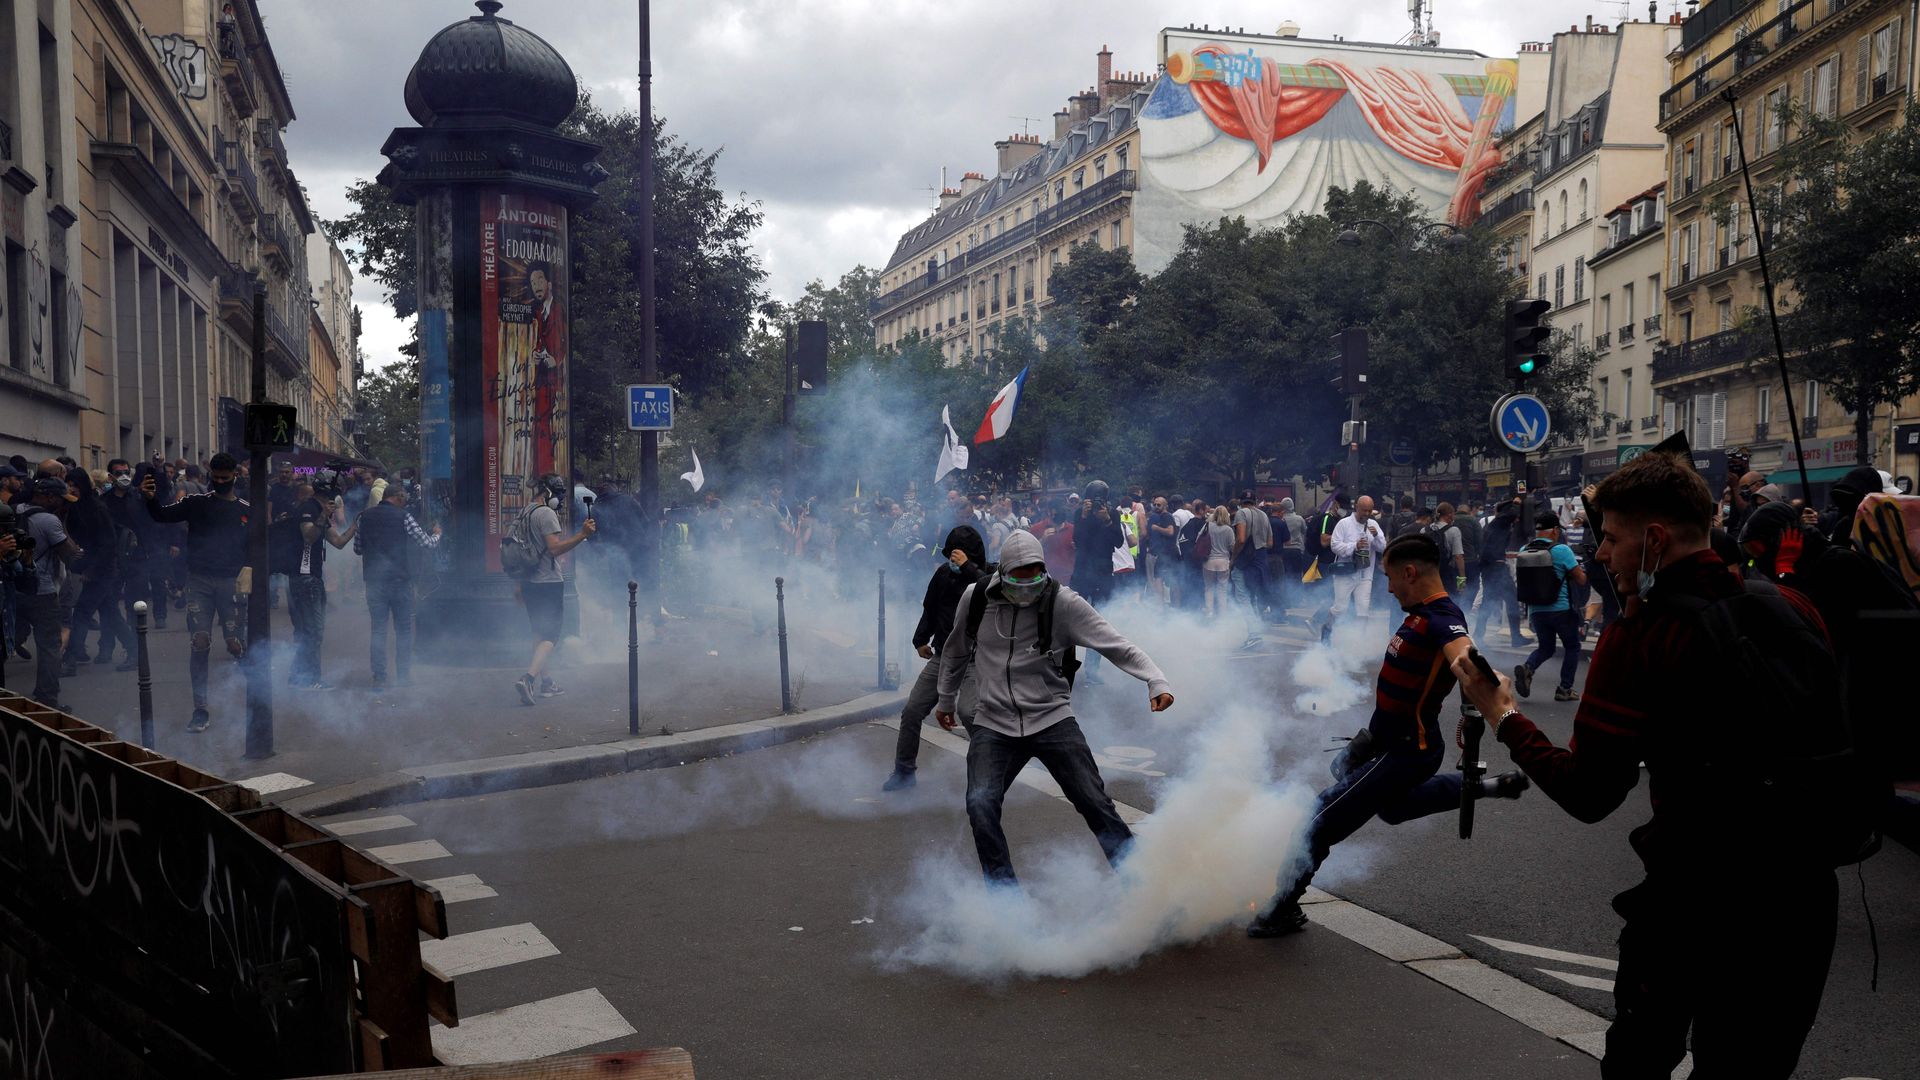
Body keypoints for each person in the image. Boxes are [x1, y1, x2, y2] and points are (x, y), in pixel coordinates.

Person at [1451, 451, 1843, 1079]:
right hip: (1802, 901)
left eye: (1610, 538)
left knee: (1639, 1063)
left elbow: (1589, 793)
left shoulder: (1642, 637)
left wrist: (1503, 714)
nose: (1600, 555)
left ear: (1654, 540)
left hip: (1695, 902)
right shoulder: (1796, 609)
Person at [1249, 532, 1527, 937]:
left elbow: (1465, 657)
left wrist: (1491, 691)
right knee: (1392, 808)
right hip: (1388, 743)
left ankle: (1280, 911)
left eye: (1390, 577)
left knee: (1315, 823)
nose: (1389, 587)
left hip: (1406, 752)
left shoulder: (1442, 619)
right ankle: (1487, 786)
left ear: (1410, 572)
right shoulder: (1418, 612)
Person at [935, 530, 1174, 885]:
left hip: (1051, 719)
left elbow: (1116, 644)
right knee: (981, 805)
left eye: (1035, 574)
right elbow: (956, 648)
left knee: (1095, 803)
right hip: (994, 723)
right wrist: (945, 697)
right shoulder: (977, 598)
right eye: (1019, 576)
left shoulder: (1063, 602)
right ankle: (1005, 900)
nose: (1027, 584)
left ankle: (1141, 888)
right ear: (1003, 572)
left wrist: (1156, 680)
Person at [141, 454, 247, 732]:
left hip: (231, 582)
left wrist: (252, 577)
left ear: (235, 475)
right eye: (217, 477)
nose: (221, 481)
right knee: (200, 641)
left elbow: (259, 545)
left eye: (226, 477)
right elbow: (161, 515)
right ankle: (200, 709)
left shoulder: (246, 509)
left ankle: (252, 696)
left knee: (237, 644)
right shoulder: (196, 503)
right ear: (210, 474)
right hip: (199, 581)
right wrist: (151, 498)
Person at [884, 525, 986, 791]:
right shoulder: (942, 574)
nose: (953, 561)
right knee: (912, 711)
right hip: (944, 655)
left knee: (970, 714)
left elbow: (990, 597)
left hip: (976, 659)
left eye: (960, 556)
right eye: (951, 556)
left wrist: (968, 569)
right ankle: (904, 772)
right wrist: (920, 639)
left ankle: (987, 777)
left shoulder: (986, 576)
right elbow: (930, 608)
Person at [514, 474, 594, 705]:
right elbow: (554, 549)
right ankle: (528, 678)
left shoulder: (524, 512)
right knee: (551, 635)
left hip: (529, 583)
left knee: (538, 633)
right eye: (558, 494)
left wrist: (519, 584)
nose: (559, 499)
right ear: (548, 493)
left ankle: (546, 682)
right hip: (547, 582)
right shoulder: (546, 514)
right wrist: (582, 535)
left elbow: (520, 552)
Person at [354, 483, 438, 689]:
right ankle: (403, 676)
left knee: (378, 631)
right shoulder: (404, 517)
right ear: (398, 497)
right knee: (404, 630)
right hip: (400, 581)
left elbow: (357, 548)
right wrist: (438, 534)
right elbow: (427, 543)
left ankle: (380, 678)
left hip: (374, 583)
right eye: (405, 497)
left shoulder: (364, 516)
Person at [282, 481, 357, 689]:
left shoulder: (317, 511)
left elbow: (339, 542)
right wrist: (324, 515)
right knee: (312, 633)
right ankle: (310, 679)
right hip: (305, 578)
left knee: (307, 632)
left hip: (310, 578)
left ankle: (298, 676)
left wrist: (355, 525)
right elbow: (308, 536)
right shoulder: (308, 510)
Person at [15, 479, 82, 707]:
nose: (65, 505)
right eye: (63, 500)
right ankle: (47, 698)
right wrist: (62, 525)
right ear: (50, 498)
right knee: (49, 646)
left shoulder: (16, 511)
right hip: (42, 591)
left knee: (10, 639)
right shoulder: (49, 520)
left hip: (13, 589)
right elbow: (69, 555)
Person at [1513, 511, 1587, 702]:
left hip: (1536, 611)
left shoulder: (1524, 549)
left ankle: (1529, 667)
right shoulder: (1561, 550)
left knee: (1546, 648)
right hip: (1561, 610)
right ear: (1555, 530)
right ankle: (1564, 689)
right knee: (1572, 647)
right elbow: (1580, 579)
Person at [1324, 494, 1387, 639]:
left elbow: (1383, 547)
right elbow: (1335, 546)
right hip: (1345, 573)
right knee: (1340, 608)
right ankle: (1327, 629)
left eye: (1369, 511)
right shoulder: (1344, 524)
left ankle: (1359, 640)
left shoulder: (1373, 524)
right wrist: (1354, 546)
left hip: (1365, 574)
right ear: (1356, 507)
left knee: (1363, 610)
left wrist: (1377, 535)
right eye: (1364, 510)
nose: (1366, 514)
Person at [1473, 499, 1525, 646]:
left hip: (1491, 568)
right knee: (1511, 600)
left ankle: (1479, 634)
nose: (1517, 519)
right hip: (1496, 568)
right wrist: (1516, 503)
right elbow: (1507, 514)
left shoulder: (1496, 525)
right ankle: (1516, 637)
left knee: (1488, 603)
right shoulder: (1500, 523)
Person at [1231, 490, 1272, 648]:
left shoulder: (1241, 513)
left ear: (1241, 502)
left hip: (1245, 561)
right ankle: (1256, 633)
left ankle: (1254, 635)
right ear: (1255, 501)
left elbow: (1241, 539)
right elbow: (1270, 542)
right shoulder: (1264, 515)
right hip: (1260, 560)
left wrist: (1233, 558)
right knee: (1252, 597)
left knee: (1243, 598)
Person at [1201, 505, 1234, 616]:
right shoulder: (1228, 529)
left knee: (1209, 587)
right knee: (1222, 589)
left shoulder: (1208, 526)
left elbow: (1198, 538)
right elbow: (1232, 547)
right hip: (1223, 562)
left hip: (1208, 561)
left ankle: (1209, 611)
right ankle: (1222, 614)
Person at [1430, 502, 1467, 597]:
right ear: (1450, 515)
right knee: (1450, 603)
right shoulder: (1454, 530)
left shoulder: (1424, 530)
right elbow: (1458, 556)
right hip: (1446, 574)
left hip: (1428, 574)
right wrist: (1462, 578)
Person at [1145, 495, 1177, 606]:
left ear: (1165, 505)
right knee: (1164, 578)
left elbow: (1170, 532)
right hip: (1164, 553)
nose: (1156, 506)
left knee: (1159, 578)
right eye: (1155, 504)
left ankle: (1161, 605)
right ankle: (1166, 604)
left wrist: (1156, 528)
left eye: (1159, 505)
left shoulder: (1166, 516)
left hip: (1167, 553)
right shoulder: (1160, 516)